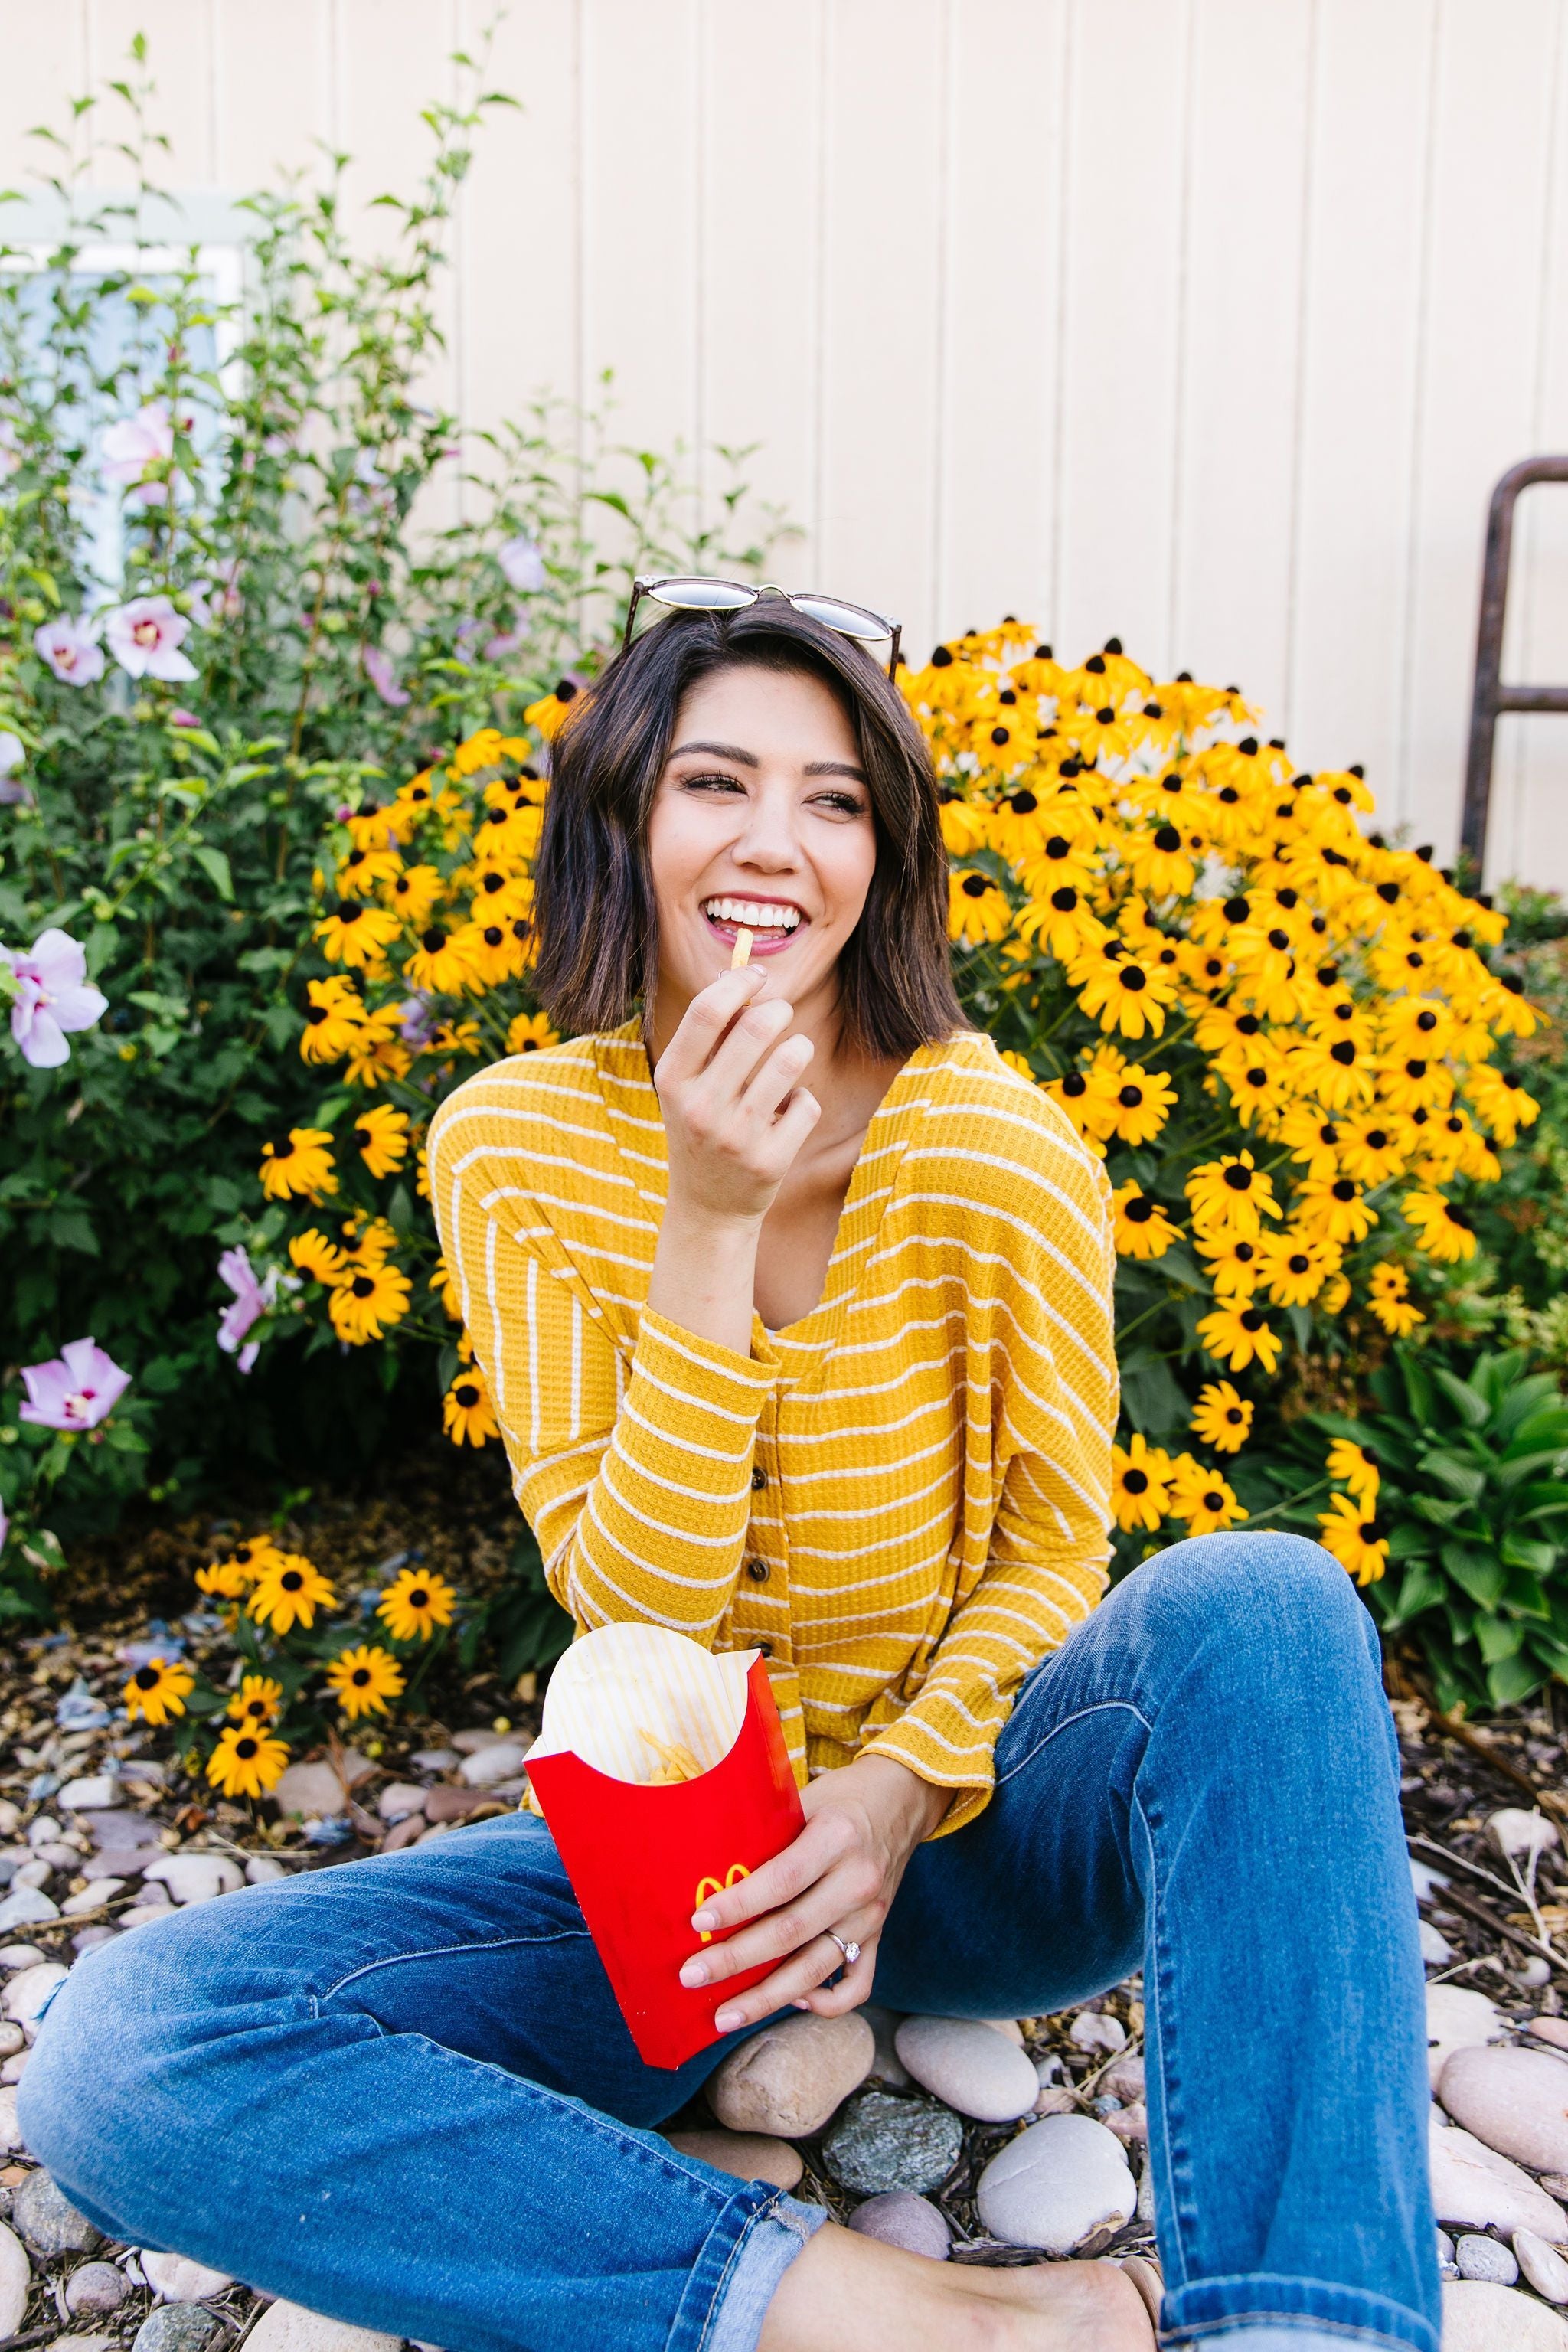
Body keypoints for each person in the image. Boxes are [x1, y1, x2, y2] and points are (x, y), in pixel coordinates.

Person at [21, 591, 1438, 2352]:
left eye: (836, 800)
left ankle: (1311, 2330)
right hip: (684, 1885)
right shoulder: (517, 1140)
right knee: (124, 2056)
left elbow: (1053, 1550)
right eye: (716, 782)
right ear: (624, 818)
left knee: (1267, 1601)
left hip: (983, 1837)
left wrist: (897, 1791)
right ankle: (913, 2317)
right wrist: (708, 1218)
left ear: (883, 854)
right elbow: (638, 1618)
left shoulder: (996, 1143)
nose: (776, 843)